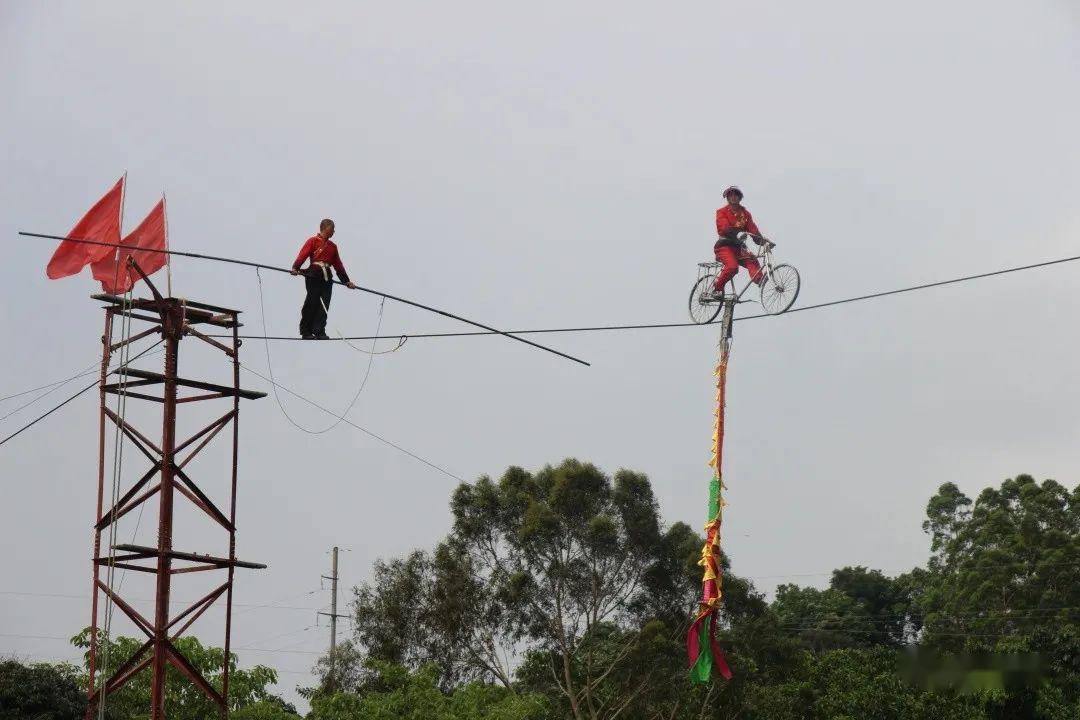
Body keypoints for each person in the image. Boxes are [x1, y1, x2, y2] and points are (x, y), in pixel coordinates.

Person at [291, 218, 357, 339]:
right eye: (332, 229)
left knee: (324, 304)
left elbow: (338, 265)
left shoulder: (333, 247)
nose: (333, 232)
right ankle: (306, 331)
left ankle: (319, 330)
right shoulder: (313, 241)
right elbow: (303, 254)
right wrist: (296, 268)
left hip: (327, 278)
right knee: (312, 302)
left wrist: (346, 281)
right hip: (314, 274)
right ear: (325, 228)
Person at [712, 186, 772, 298]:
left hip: (738, 248)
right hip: (724, 246)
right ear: (728, 198)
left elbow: (753, 230)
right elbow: (723, 227)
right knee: (732, 267)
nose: (733, 197)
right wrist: (737, 233)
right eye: (731, 195)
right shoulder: (722, 212)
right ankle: (717, 288)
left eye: (736, 195)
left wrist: (764, 241)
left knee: (752, 260)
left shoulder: (745, 214)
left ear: (740, 197)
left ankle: (760, 280)